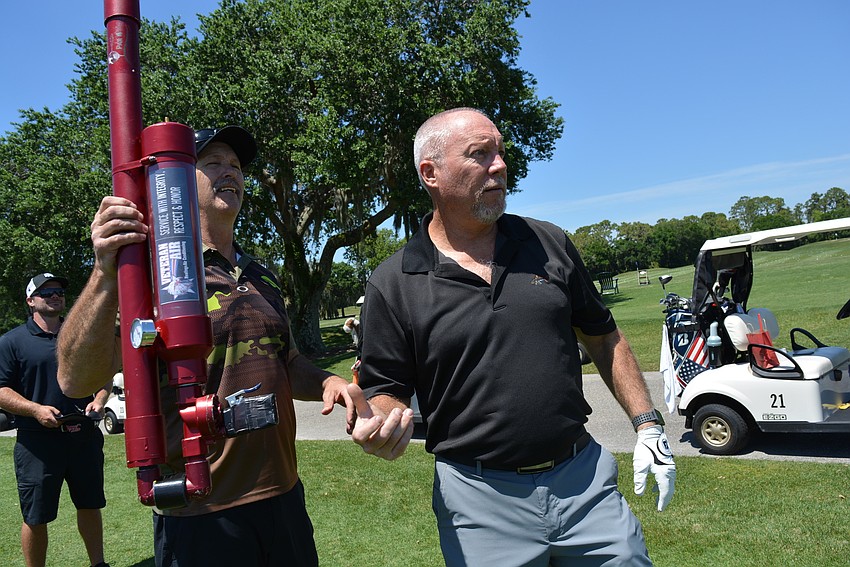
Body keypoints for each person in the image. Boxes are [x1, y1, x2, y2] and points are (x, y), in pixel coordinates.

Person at [348, 108, 676, 566]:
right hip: (479, 501)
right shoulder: (393, 281)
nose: (500, 165)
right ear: (431, 173)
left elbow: (604, 337)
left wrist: (648, 425)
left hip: (584, 481)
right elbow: (386, 388)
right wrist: (382, 422)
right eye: (479, 155)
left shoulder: (547, 243)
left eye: (500, 152)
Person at [56, 126, 355, 567]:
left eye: (235, 165)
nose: (229, 172)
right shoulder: (152, 275)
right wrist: (104, 272)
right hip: (202, 512)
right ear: (175, 182)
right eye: (212, 162)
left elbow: (286, 362)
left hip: (284, 499)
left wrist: (329, 381)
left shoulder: (262, 274)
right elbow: (75, 378)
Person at [0, 272, 111, 567]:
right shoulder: (12, 341)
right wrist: (35, 410)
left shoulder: (80, 337)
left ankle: (98, 564)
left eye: (59, 291)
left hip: (83, 437)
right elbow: (1, 390)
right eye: (46, 292)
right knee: (36, 515)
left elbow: (103, 376)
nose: (55, 296)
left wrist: (99, 400)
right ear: (30, 301)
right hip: (37, 444)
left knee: (90, 504)